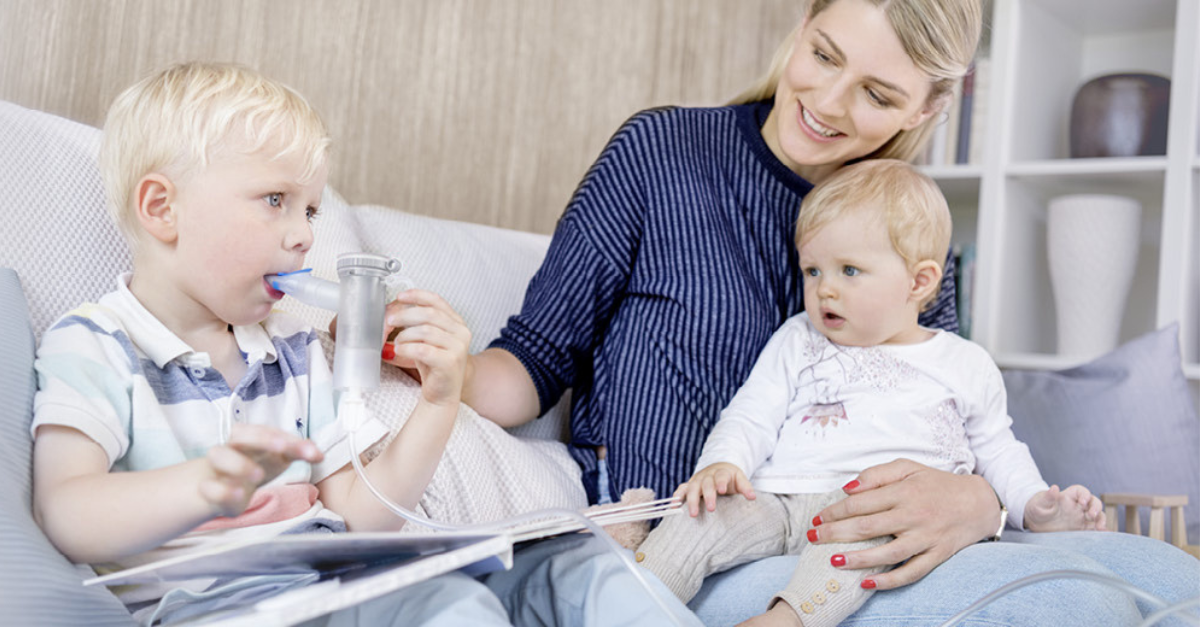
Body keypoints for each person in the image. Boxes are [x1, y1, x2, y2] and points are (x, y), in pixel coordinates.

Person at [400, 0, 1200, 623]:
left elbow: (940, 401)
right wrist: (428, 360)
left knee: (1178, 580)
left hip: (857, 534)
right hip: (694, 536)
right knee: (1081, 606)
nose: (827, 101)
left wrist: (982, 501)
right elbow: (534, 364)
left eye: (879, 94)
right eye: (823, 55)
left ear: (925, 112)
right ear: (802, 25)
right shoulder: (662, 156)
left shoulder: (907, 227)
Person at [30, 62, 699, 627]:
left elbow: (358, 516)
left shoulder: (289, 357)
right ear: (161, 208)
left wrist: (438, 403)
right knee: (452, 609)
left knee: (573, 572)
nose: (302, 237)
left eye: (311, 211)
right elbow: (65, 511)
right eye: (275, 200)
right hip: (234, 608)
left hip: (341, 583)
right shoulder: (96, 343)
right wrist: (202, 485)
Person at [634, 159, 1108, 627]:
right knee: (696, 518)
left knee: (869, 542)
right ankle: (627, 606)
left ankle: (787, 619)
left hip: (876, 506)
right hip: (775, 500)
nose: (825, 290)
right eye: (813, 271)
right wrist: (723, 464)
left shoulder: (964, 363)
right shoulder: (797, 338)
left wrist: (1032, 505)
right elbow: (751, 412)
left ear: (919, 282)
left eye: (850, 271)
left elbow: (998, 448)